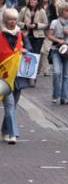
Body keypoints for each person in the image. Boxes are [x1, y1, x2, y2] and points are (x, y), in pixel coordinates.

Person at [1, 8, 31, 145]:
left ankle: (5, 131)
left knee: (12, 105)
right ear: (4, 21)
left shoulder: (21, 35)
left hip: (17, 77)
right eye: (10, 19)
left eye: (14, 19)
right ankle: (13, 133)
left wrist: (24, 51)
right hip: (3, 77)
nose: (12, 22)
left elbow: (28, 50)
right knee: (9, 103)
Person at [48, 2, 68, 105]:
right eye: (66, 10)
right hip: (57, 49)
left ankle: (65, 97)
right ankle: (55, 95)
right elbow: (49, 36)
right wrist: (58, 40)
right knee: (57, 72)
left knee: (66, 75)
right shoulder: (54, 22)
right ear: (61, 11)